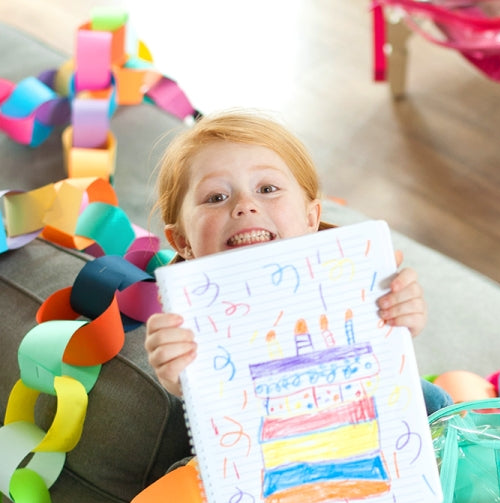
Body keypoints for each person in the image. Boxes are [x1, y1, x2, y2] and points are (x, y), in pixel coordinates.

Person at [144, 108, 451, 414]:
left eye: (267, 189)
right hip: (255, 435)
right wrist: (180, 379)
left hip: (363, 415)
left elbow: (387, 357)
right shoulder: (184, 322)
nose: (245, 206)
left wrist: (403, 315)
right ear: (183, 242)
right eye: (215, 197)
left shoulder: (356, 281)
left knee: (432, 400)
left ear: (310, 218)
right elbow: (217, 413)